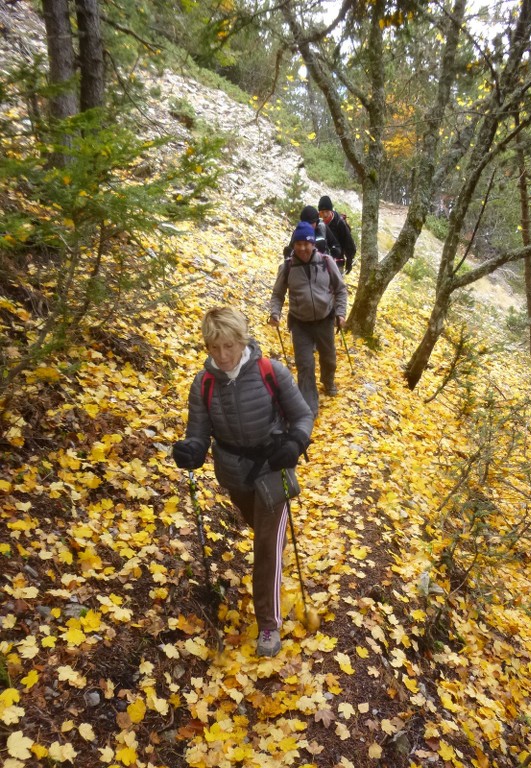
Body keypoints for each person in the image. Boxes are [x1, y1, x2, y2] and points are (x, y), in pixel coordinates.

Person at [172, 307, 314, 658]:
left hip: (272, 471)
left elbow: (302, 414)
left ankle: (268, 623)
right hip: (235, 476)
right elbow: (198, 435)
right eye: (214, 348)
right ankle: (273, 568)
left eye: (229, 346)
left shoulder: (270, 371)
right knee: (263, 538)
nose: (222, 356)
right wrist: (190, 450)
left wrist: (295, 443)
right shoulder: (203, 383)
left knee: (265, 549)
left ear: (243, 340)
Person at [269, 221, 347, 417]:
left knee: (328, 359)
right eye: (299, 244)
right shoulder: (287, 267)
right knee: (305, 365)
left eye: (306, 243)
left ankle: (328, 381)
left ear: (313, 244)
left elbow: (340, 290)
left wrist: (340, 313)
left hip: (325, 319)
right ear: (294, 244)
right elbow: (278, 294)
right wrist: (275, 313)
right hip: (300, 323)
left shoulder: (327, 262)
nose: (303, 248)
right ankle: (309, 407)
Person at [318, 195, 357, 274]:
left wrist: (349, 260)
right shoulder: (317, 222)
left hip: (337, 262)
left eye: (327, 211)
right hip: (320, 263)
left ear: (331, 210)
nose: (325, 215)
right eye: (322, 212)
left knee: (336, 286)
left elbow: (348, 242)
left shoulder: (339, 223)